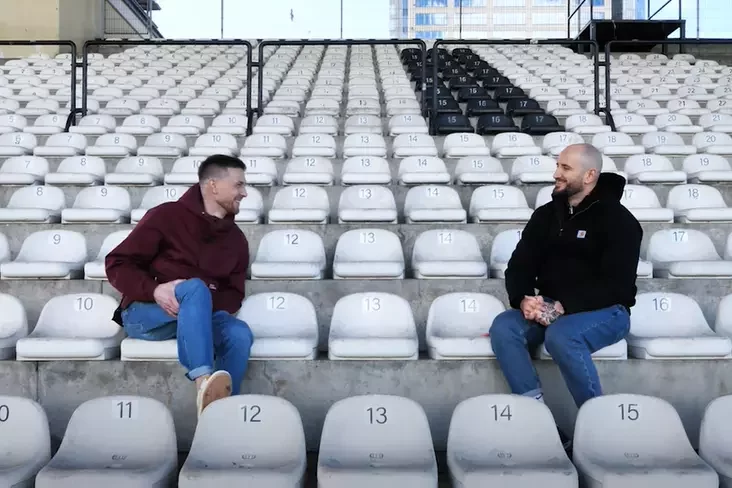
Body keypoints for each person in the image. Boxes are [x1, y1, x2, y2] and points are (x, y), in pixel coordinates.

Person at [490, 143, 642, 446]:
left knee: (562, 335)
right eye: (558, 166)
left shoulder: (619, 220)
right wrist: (524, 299)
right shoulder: (546, 215)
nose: (556, 173)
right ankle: (539, 420)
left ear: (589, 175)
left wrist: (565, 305)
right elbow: (519, 266)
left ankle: (597, 431)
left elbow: (619, 285)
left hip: (606, 311)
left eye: (565, 168)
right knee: (505, 327)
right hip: (552, 308)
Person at [106, 154, 253, 417]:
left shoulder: (236, 240)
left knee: (239, 332)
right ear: (213, 185)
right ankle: (203, 382)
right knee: (194, 288)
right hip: (145, 313)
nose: (244, 193)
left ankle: (223, 412)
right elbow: (117, 263)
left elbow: (233, 294)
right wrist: (154, 290)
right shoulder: (166, 216)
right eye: (238, 185)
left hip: (197, 319)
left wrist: (197, 308)